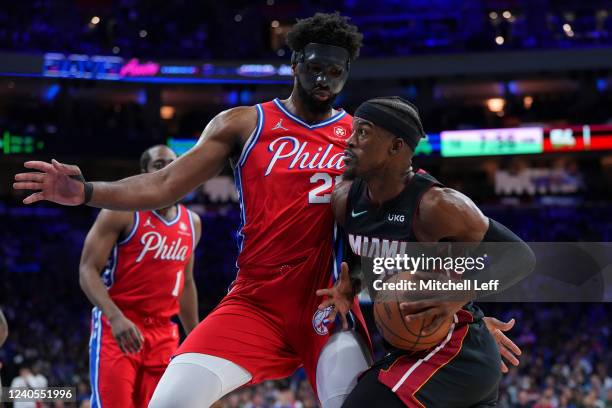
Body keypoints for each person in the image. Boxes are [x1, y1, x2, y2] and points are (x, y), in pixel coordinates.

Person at [13, 14, 519, 408]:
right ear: (294, 61)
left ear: (347, 75)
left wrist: (463, 308)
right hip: (256, 300)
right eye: (314, 65)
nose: (323, 78)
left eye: (335, 71)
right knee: (171, 398)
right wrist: (87, 192)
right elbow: (164, 182)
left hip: (334, 305)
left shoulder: (363, 137)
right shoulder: (245, 123)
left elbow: (415, 220)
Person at [318, 96, 535, 407]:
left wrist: (457, 295)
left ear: (396, 147)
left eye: (362, 133)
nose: (349, 142)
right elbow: (360, 256)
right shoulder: (345, 200)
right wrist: (348, 285)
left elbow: (519, 256)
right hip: (413, 349)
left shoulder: (437, 205)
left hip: (455, 352)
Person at [79, 145, 201, 408]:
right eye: (159, 164)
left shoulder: (192, 222)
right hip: (120, 325)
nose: (168, 168)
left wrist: (195, 337)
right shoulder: (120, 211)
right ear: (144, 172)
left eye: (173, 162)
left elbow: (186, 282)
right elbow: (87, 270)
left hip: (164, 332)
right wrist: (115, 317)